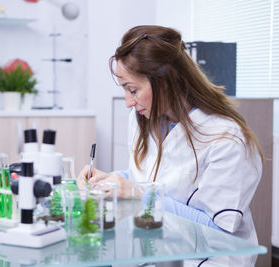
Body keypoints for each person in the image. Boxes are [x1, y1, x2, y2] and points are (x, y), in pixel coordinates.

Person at [77, 25, 263, 267]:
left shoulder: (225, 138)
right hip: (154, 248)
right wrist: (113, 181)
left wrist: (136, 193)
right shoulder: (142, 118)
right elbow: (147, 176)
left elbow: (216, 232)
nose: (128, 102)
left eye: (133, 90)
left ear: (167, 80)